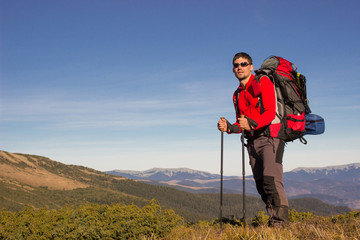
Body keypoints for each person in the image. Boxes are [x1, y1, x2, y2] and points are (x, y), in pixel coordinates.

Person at [217, 52, 289, 226]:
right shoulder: (237, 94)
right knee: (261, 184)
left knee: (271, 181)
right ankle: (274, 219)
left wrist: (251, 124)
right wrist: (229, 127)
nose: (239, 67)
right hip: (252, 141)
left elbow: (270, 113)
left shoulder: (262, 82)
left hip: (271, 137)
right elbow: (240, 123)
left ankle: (280, 225)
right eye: (236, 65)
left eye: (243, 64)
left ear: (251, 66)